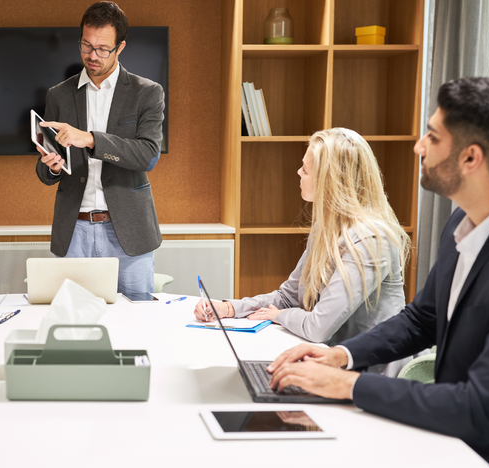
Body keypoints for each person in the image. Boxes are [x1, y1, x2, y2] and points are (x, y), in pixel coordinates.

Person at [267, 77, 489, 468]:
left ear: (470, 158)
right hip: (452, 437)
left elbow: (480, 409)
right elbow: (421, 318)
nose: (418, 147)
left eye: (432, 136)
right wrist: (341, 356)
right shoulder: (464, 219)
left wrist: (349, 385)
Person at [195, 128, 412, 376]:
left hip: (371, 374)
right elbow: (288, 297)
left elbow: (318, 326)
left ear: (329, 180)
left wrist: (281, 316)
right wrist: (229, 308)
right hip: (330, 362)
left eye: (305, 169)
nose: (298, 172)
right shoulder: (326, 227)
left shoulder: (371, 239)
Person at [35, 1, 165, 297]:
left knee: (136, 326)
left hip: (128, 232)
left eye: (102, 49)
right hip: (74, 230)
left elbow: (147, 155)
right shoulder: (59, 94)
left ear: (120, 47)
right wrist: (52, 166)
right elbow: (44, 169)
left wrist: (91, 139)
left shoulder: (147, 93)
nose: (92, 56)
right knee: (73, 326)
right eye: (86, 45)